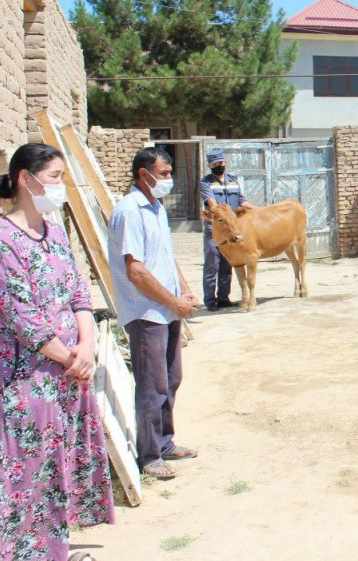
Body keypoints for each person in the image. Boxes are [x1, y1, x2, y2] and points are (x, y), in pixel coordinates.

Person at [0, 143, 114, 560]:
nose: (59, 186)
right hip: (27, 381)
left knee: (55, 466)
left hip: (68, 376)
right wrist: (72, 357)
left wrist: (86, 345)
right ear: (25, 178)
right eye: (54, 177)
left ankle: (51, 550)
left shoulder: (54, 232)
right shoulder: (2, 240)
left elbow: (78, 294)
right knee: (23, 470)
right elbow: (22, 319)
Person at [108, 147, 200, 480]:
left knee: (171, 378)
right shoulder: (130, 211)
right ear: (144, 175)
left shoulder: (156, 208)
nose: (169, 179)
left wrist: (184, 292)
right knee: (152, 385)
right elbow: (137, 271)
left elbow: (165, 256)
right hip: (146, 312)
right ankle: (149, 456)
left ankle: (164, 443)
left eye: (170, 172)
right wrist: (173, 303)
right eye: (163, 174)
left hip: (167, 309)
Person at [200, 151, 255, 312]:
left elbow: (241, 201)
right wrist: (224, 213)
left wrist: (261, 210)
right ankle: (210, 301)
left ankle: (224, 299)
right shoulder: (206, 183)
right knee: (212, 263)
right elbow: (212, 203)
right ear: (209, 166)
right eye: (215, 164)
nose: (219, 166)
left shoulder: (232, 180)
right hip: (216, 230)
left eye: (221, 163)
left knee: (228, 264)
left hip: (232, 230)